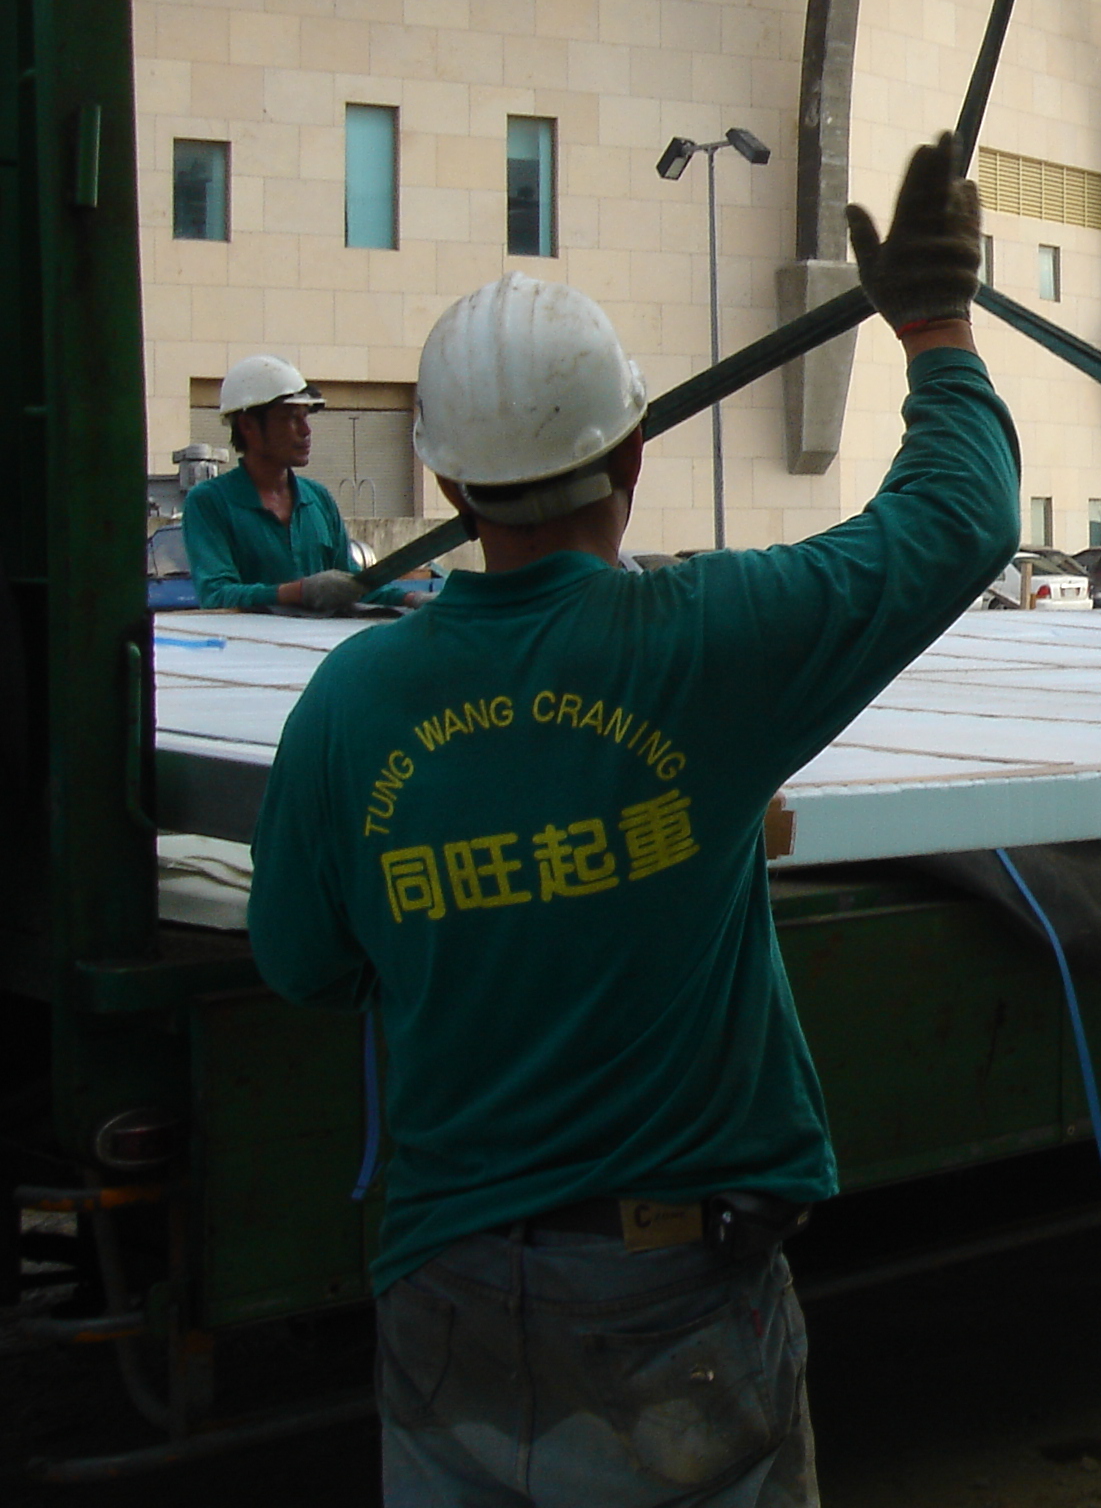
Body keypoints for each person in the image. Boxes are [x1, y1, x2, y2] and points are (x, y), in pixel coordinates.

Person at [246, 134, 1017, 1506]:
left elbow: (304, 963)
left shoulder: (350, 706)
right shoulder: (703, 647)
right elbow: (955, 518)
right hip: (671, 1298)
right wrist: (935, 326)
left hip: (444, 1290)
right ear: (635, 452)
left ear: (448, 488)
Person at [182, 355, 422, 614]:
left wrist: (414, 600)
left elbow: (355, 586)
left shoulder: (318, 499)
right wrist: (300, 592)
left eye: (305, 416)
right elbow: (217, 596)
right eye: (290, 418)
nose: (306, 430)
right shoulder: (209, 502)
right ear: (248, 426)